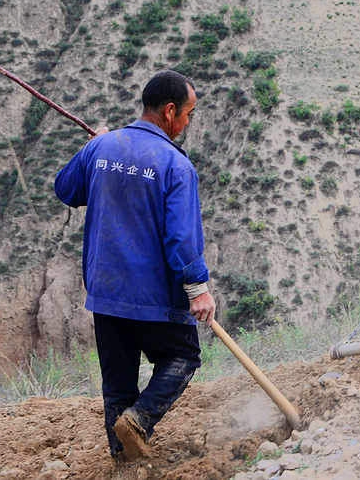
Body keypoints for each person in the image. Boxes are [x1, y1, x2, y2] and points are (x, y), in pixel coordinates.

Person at [54, 70, 215, 462]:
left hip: (106, 294)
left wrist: (91, 150)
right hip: (154, 296)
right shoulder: (176, 166)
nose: (188, 123)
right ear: (170, 111)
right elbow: (181, 238)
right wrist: (198, 288)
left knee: (117, 385)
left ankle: (121, 459)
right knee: (182, 358)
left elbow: (66, 189)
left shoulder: (101, 148)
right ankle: (139, 420)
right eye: (188, 114)